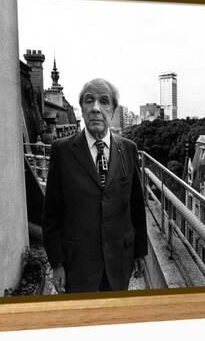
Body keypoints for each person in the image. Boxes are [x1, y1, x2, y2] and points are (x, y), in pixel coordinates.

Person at [42, 78, 147, 293]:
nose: (96, 108)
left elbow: (137, 206)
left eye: (104, 102)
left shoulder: (128, 149)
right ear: (82, 108)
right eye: (89, 101)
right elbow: (51, 215)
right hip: (78, 264)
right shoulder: (62, 152)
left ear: (113, 109)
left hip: (119, 260)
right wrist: (57, 263)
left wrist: (139, 252)